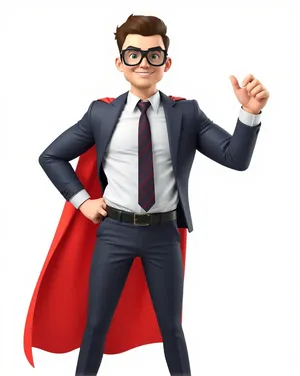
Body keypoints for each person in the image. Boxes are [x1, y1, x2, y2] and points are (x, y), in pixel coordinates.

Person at [24, 14, 270, 376]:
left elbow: (235, 158)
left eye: (153, 55)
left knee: (171, 328)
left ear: (166, 63)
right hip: (114, 232)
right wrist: (83, 201)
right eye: (133, 54)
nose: (143, 62)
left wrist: (249, 114)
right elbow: (51, 155)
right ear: (120, 62)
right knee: (95, 326)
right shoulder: (101, 113)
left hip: (162, 235)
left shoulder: (186, 112)